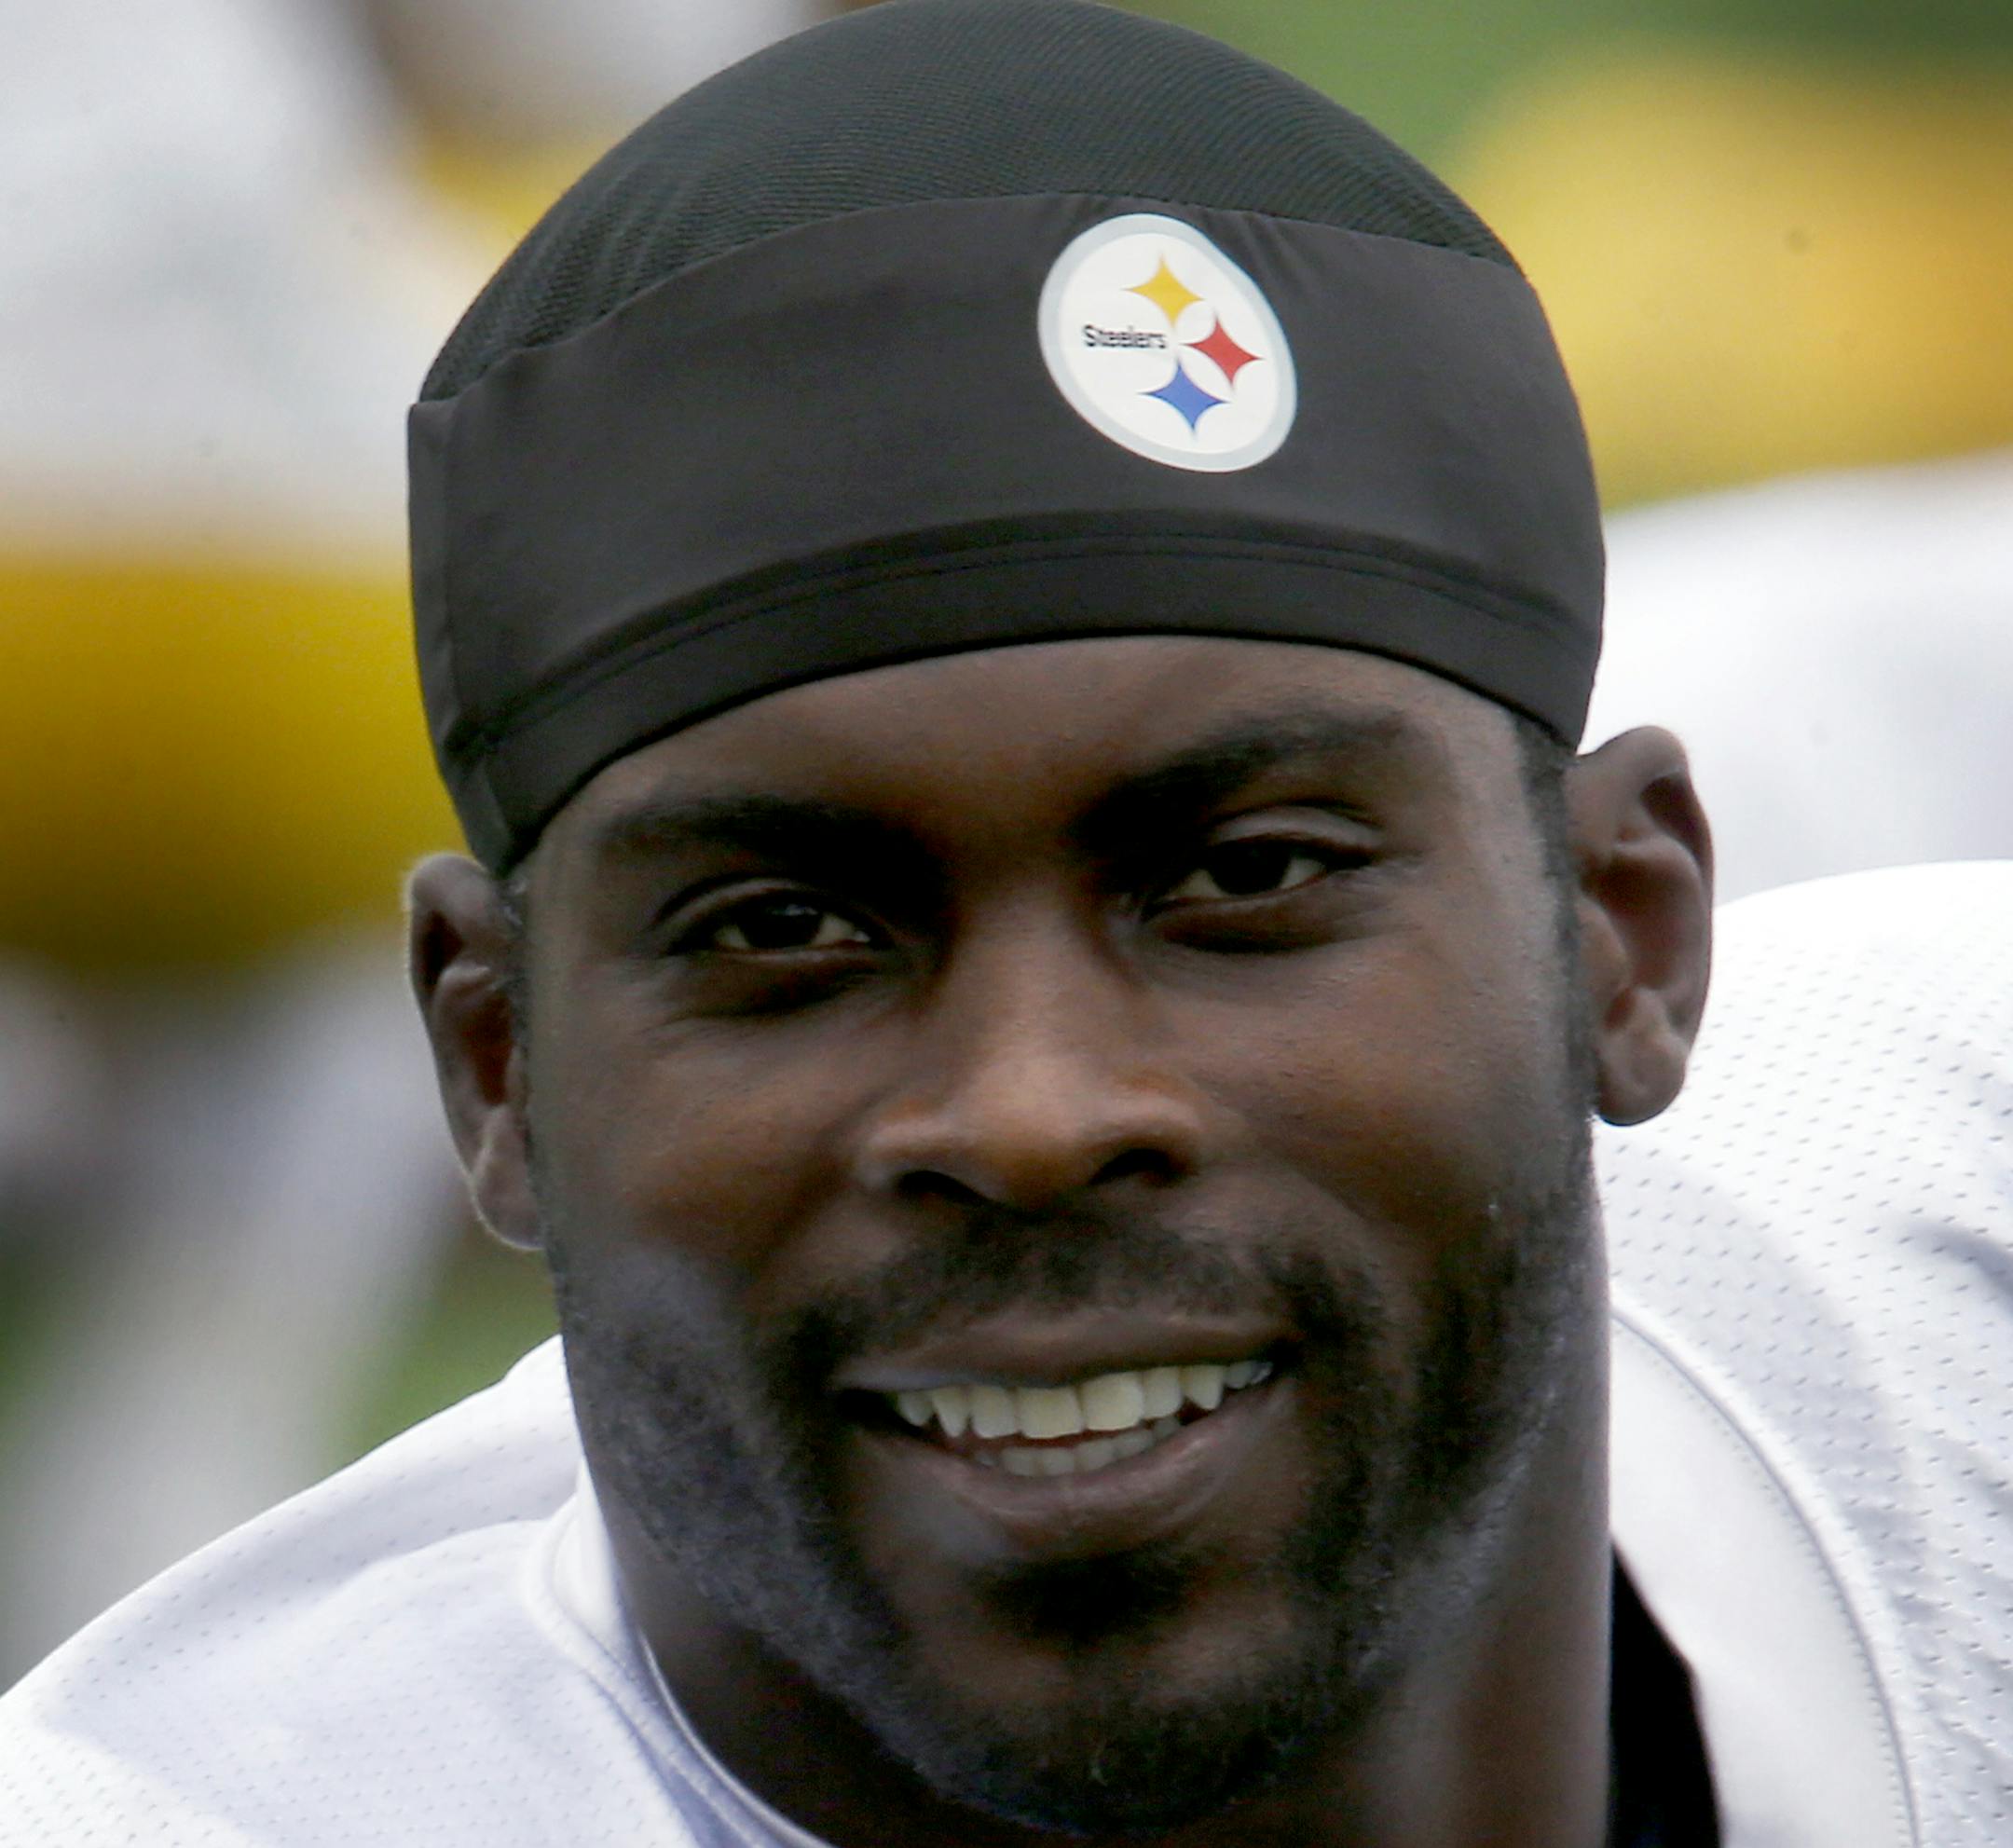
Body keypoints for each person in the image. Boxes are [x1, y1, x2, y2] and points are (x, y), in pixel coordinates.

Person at [0, 2, 1998, 1841]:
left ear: (1627, 935)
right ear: (498, 1063)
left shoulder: (1946, 1258)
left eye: (1247, 875)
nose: (1034, 1109)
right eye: (783, 921)